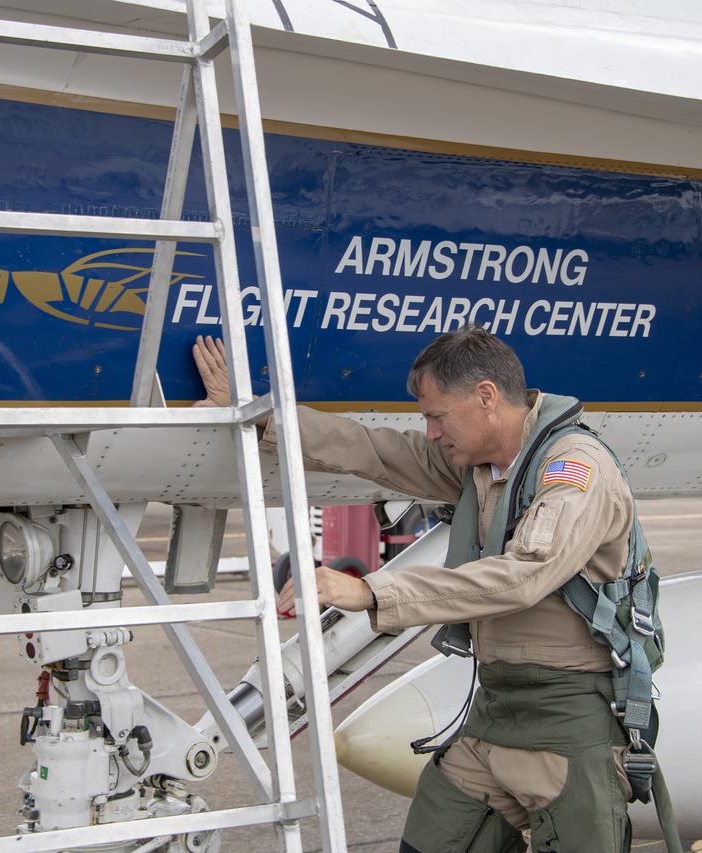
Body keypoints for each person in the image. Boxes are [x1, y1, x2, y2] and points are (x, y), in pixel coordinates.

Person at [193, 326, 639, 853]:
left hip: (567, 722)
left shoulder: (573, 469)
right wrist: (256, 413)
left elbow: (524, 576)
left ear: (487, 397)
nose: (430, 433)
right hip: (493, 710)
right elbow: (370, 449)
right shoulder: (480, 467)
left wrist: (372, 594)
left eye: (436, 416)